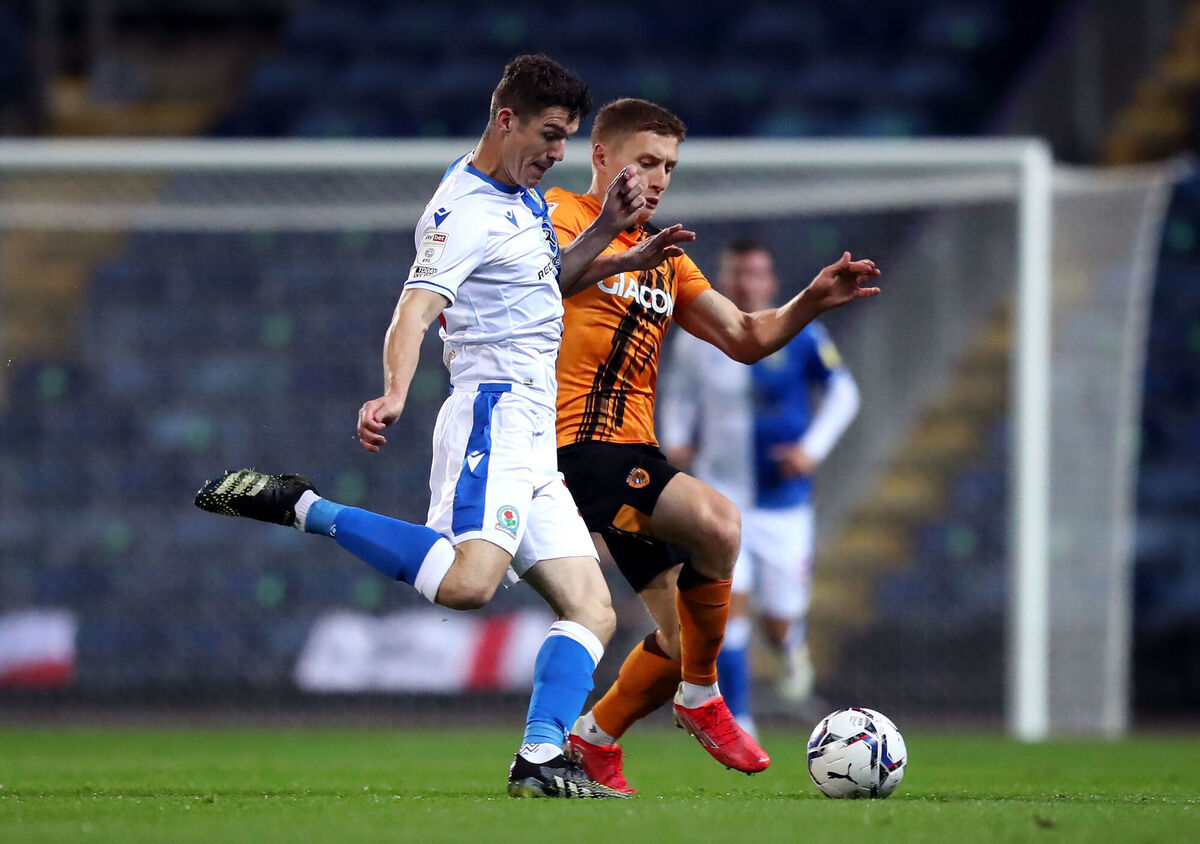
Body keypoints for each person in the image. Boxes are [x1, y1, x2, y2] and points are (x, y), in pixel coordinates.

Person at [193, 56, 692, 800]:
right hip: (492, 409)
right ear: (506, 121)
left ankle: (540, 758)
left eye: (565, 139)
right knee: (467, 586)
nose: (557, 153)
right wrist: (393, 391)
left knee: (591, 607)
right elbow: (414, 310)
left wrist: (617, 241)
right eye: (549, 136)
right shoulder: (463, 213)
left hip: (534, 433)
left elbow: (543, 284)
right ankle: (301, 505)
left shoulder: (522, 197)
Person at [545, 98, 880, 794]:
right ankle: (703, 695)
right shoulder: (561, 217)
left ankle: (592, 741)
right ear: (601, 157)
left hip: (634, 451)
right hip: (574, 440)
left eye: (668, 165)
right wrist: (614, 232)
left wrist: (810, 302)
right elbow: (546, 282)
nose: (659, 177)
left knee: (678, 637)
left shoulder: (668, 259)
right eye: (645, 161)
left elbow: (746, 337)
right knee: (719, 523)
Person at [660, 238, 861, 737]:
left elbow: (843, 394)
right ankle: (739, 719)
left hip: (782, 504)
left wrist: (809, 450)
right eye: (737, 274)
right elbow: (678, 398)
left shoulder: (800, 332)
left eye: (755, 275)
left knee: (779, 620)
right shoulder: (697, 337)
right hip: (720, 495)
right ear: (724, 281)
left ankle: (791, 647)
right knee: (729, 605)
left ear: (770, 282)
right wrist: (676, 440)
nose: (746, 283)